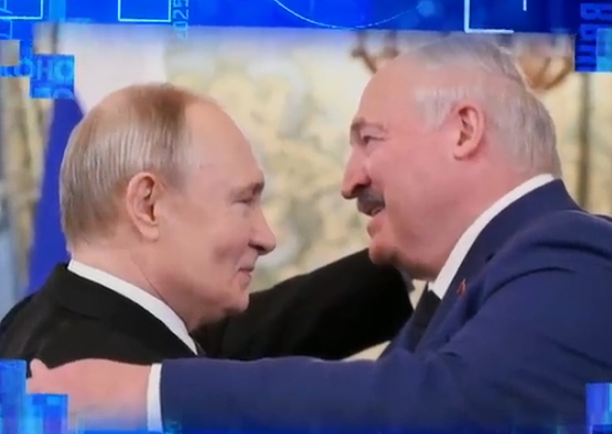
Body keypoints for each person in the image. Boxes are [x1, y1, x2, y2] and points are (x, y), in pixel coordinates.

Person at [27, 35, 612, 432]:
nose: (349, 179)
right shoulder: (484, 281)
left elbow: (447, 406)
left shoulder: (581, 254)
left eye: (368, 141)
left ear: (464, 131)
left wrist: (146, 394)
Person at [0, 83, 413, 369]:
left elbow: (246, 340)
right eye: (243, 201)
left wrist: (413, 253)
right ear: (148, 206)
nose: (266, 238)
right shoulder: (112, 386)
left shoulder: (46, 324)